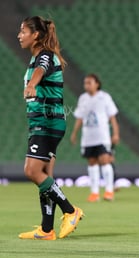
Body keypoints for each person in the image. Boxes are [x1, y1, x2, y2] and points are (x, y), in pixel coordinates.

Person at [17, 16, 83, 240]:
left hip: (47, 122)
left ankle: (71, 211)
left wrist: (33, 84)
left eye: (23, 31)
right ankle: (47, 229)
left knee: (32, 171)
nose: (19, 35)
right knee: (45, 176)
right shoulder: (36, 57)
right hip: (42, 122)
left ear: (36, 35)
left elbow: (40, 72)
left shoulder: (44, 56)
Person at [70, 74, 119, 202]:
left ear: (97, 83)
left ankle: (109, 191)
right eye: (85, 83)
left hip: (102, 136)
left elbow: (112, 117)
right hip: (88, 137)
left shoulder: (104, 97)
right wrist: (74, 133)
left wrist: (116, 133)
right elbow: (80, 117)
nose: (86, 85)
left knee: (105, 160)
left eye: (89, 82)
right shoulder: (83, 98)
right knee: (92, 162)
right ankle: (94, 193)